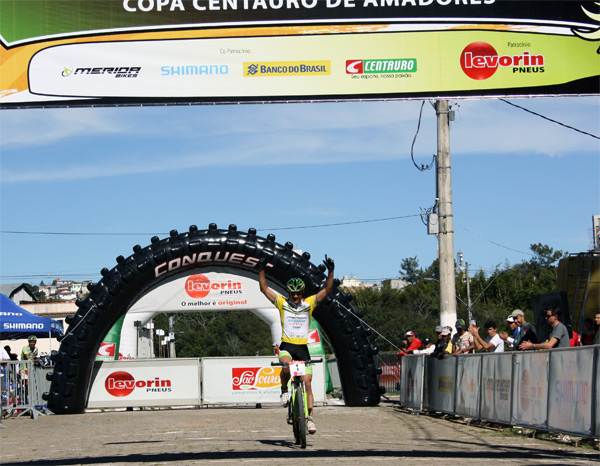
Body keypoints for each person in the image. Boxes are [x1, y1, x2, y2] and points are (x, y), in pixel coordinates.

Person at [258, 254, 335, 435]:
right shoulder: (282, 303)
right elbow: (264, 288)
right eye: (292, 293)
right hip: (287, 346)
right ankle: (284, 390)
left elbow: (328, 289)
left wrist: (331, 271)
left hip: (303, 348)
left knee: (307, 384)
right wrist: (261, 269)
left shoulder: (309, 304)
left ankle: (309, 419)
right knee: (285, 367)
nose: (295, 296)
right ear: (288, 293)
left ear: (302, 293)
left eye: (298, 293)